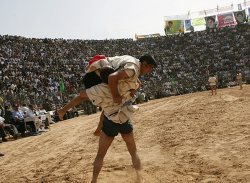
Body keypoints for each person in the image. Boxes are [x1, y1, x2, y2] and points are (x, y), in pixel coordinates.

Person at [57, 54, 157, 183]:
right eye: (150, 68)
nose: (149, 71)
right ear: (145, 64)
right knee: (133, 152)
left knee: (100, 155)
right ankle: (139, 178)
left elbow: (81, 96)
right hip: (123, 118)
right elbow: (119, 79)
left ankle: (94, 180)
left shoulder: (101, 89)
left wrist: (63, 110)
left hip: (110, 120)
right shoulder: (130, 81)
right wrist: (124, 93)